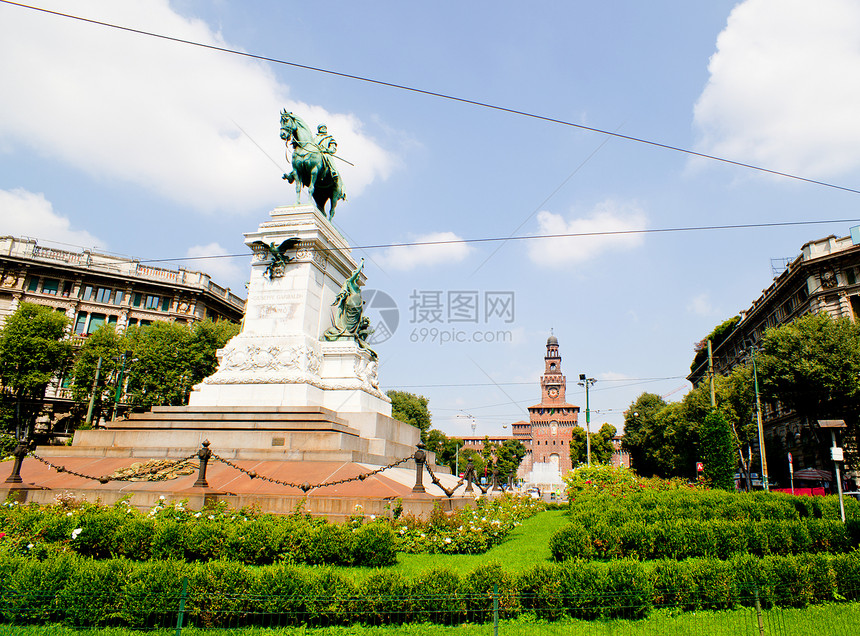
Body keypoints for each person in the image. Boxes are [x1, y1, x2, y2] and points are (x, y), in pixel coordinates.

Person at [314, 124, 345, 194]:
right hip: (315, 154)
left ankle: (333, 171)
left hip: (325, 153)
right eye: (322, 127)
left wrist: (326, 150)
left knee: (328, 157)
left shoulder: (329, 138)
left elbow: (333, 149)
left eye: (325, 127)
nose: (324, 128)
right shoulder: (314, 139)